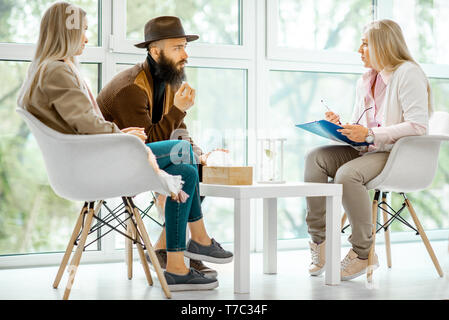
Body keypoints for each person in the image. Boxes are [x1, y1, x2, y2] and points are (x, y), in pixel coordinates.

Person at [17, 2, 233, 292]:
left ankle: (177, 265)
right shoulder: (63, 73)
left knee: (188, 166)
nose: (86, 37)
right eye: (82, 30)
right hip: (97, 165)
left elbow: (92, 125)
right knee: (185, 159)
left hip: (102, 155)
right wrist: (123, 136)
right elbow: (87, 125)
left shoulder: (59, 69)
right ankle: (199, 241)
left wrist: (123, 134)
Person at [96, 16, 223, 278]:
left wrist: (200, 153)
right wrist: (178, 110)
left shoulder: (169, 81)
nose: (185, 54)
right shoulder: (130, 88)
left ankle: (168, 250)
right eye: (177, 48)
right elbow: (149, 144)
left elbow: (178, 134)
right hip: (115, 165)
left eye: (185, 46)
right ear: (155, 51)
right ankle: (193, 243)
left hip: (147, 160)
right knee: (186, 163)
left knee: (194, 166)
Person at [305, 19, 431, 280]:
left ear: (382, 45)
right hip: (367, 150)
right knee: (315, 158)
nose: (359, 49)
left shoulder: (408, 73)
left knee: (347, 175)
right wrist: (341, 127)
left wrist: (372, 134)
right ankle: (320, 241)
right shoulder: (365, 80)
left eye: (364, 43)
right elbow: (362, 127)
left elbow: (418, 126)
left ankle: (363, 254)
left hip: (395, 155)